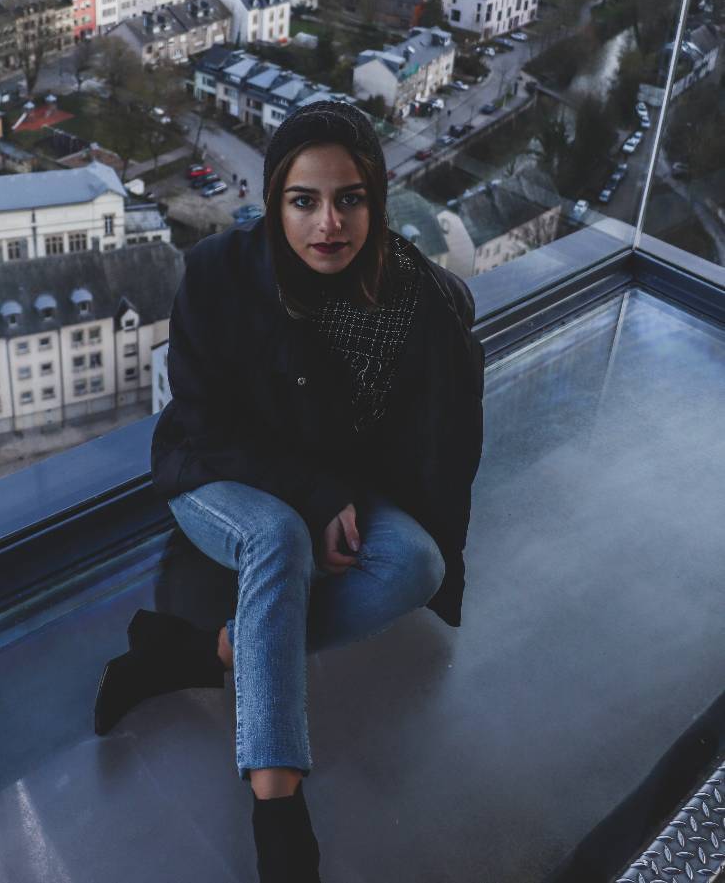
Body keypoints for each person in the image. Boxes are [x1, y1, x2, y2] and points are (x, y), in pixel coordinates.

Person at [94, 101, 485, 882]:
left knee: (417, 564)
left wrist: (356, 495)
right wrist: (313, 492)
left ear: (375, 198)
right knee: (281, 537)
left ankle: (196, 651)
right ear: (275, 200)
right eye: (304, 199)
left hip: (329, 482)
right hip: (211, 471)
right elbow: (200, 420)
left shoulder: (402, 297)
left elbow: (436, 429)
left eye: (350, 198)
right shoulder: (218, 274)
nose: (328, 222)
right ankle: (281, 820)